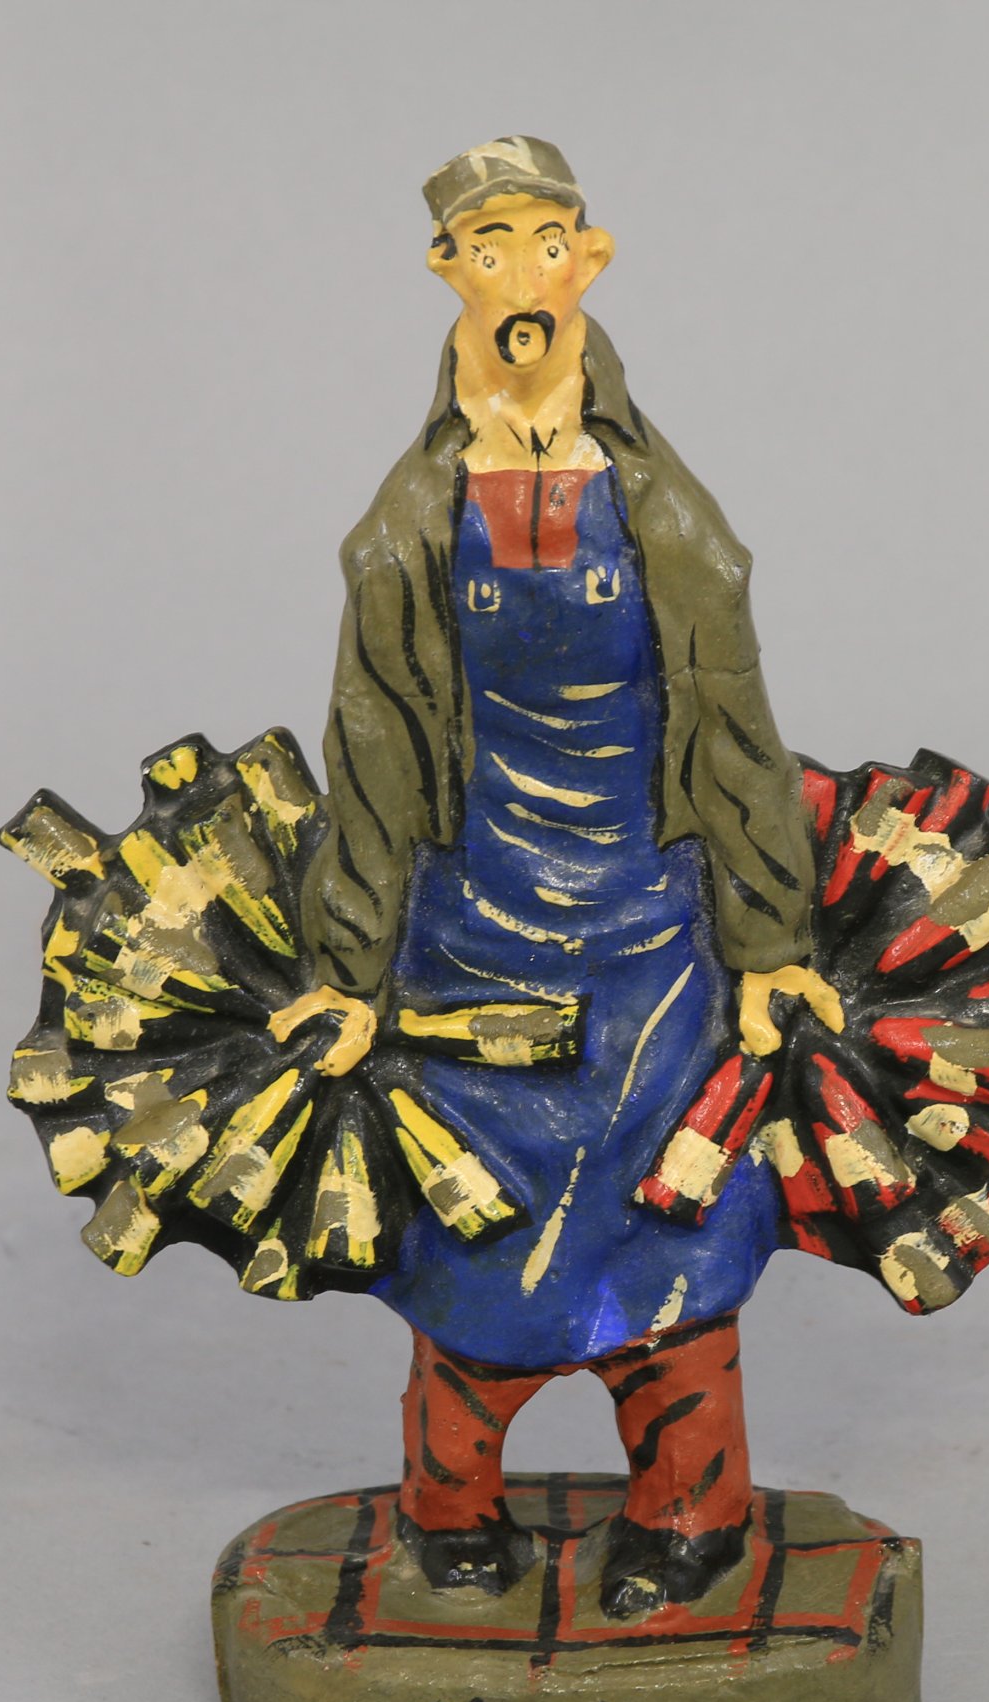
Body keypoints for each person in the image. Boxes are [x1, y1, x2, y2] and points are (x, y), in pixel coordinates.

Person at [268, 138, 844, 1616]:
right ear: (447, 272)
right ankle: (448, 1511)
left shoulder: (668, 520)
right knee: (475, 1239)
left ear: (588, 261)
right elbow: (374, 750)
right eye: (487, 247)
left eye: (543, 242)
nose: (520, 276)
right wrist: (347, 973)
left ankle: (691, 1515)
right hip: (471, 942)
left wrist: (769, 943)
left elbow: (736, 731)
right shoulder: (407, 527)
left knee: (673, 1234)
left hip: (654, 941)